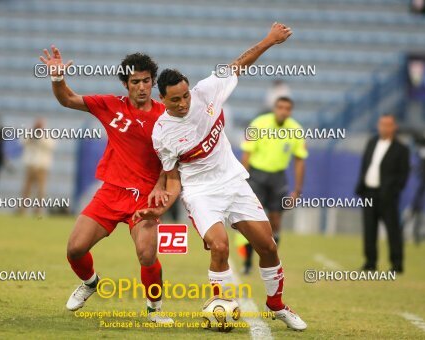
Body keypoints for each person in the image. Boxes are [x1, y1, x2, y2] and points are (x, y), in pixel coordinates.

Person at [135, 22, 307, 331]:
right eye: (175, 100)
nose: (184, 103)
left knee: (267, 246)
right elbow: (173, 179)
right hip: (201, 192)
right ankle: (220, 308)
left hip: (233, 182)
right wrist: (160, 207)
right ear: (162, 100)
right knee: (220, 246)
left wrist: (268, 40)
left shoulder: (207, 90)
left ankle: (276, 304)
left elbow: (240, 64)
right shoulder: (162, 133)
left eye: (185, 96)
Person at [39, 46, 173, 323]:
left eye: (146, 80)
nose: (141, 87)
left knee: (146, 254)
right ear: (125, 84)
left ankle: (154, 309)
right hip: (112, 191)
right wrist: (57, 78)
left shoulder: (166, 117)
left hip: (145, 197)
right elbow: (67, 99)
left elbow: (175, 159)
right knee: (75, 249)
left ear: (153, 82)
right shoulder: (110, 105)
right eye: (135, 82)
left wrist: (162, 185)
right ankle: (90, 282)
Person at [241, 97, 308, 249]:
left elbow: (300, 160)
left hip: (278, 177)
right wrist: (241, 181)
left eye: (287, 109)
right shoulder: (259, 124)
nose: (283, 111)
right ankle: (248, 260)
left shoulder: (296, 130)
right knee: (252, 216)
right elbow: (247, 154)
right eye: (280, 107)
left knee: (275, 218)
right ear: (275, 108)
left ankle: (272, 254)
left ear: (291, 111)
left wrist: (297, 190)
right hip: (256, 176)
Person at [355, 114, 410, 273]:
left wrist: (394, 190)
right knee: (369, 229)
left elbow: (403, 174)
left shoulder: (401, 149)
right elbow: (366, 165)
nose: (384, 128)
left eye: (387, 125)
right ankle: (370, 262)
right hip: (369, 193)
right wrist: (362, 186)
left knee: (393, 230)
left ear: (394, 127)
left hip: (387, 196)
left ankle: (396, 263)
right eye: (381, 124)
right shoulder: (372, 142)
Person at [20, 118, 56, 216]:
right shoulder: (30, 132)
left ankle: (38, 211)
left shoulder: (48, 134)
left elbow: (51, 146)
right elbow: (23, 142)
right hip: (30, 165)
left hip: (42, 166)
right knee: (26, 189)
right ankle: (22, 210)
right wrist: (33, 134)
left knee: (40, 190)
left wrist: (41, 136)